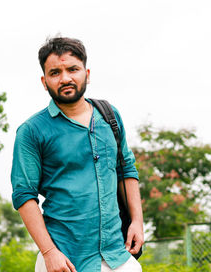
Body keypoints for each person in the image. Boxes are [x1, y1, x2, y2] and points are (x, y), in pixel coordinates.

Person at [11, 37, 144, 272]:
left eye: (73, 69)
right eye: (55, 72)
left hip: (116, 255)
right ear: (44, 81)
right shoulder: (32, 132)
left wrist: (137, 222)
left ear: (87, 73)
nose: (65, 78)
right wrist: (49, 252)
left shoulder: (110, 117)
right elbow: (24, 195)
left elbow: (127, 170)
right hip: (65, 259)